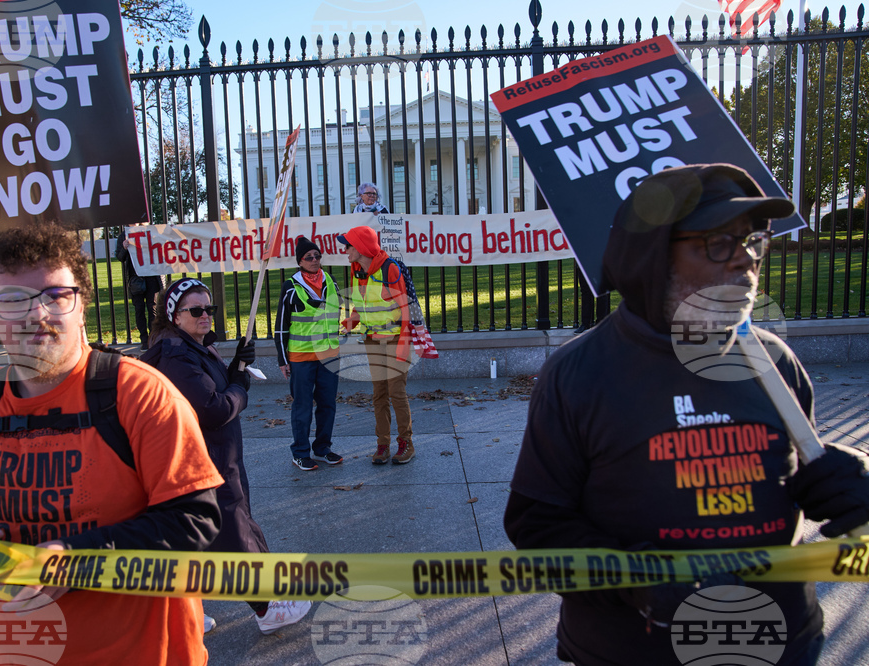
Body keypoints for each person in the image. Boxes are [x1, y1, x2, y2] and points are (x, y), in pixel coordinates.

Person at [503, 164, 869, 665]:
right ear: (653, 257)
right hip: (632, 652)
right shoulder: (578, 375)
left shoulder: (775, 360)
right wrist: (633, 578)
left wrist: (852, 474)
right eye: (718, 242)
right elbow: (537, 525)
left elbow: (800, 467)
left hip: (781, 642)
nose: (745, 259)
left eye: (752, 241)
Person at [0, 223, 224, 665]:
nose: (37, 314)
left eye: (55, 296)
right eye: (12, 300)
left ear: (82, 306)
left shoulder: (140, 394)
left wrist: (78, 560)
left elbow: (193, 521)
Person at [141, 278, 312, 634]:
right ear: (175, 315)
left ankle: (182, 613)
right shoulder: (177, 355)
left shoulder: (193, 346)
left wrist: (235, 367)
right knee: (233, 527)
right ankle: (267, 608)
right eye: (196, 310)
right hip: (205, 460)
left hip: (215, 454)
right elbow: (213, 408)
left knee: (197, 534)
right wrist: (239, 387)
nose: (205, 315)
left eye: (210, 308)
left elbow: (214, 387)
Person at [337, 225, 414, 464]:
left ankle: (406, 443)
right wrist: (351, 322)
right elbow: (362, 305)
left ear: (361, 247)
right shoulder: (357, 270)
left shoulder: (390, 269)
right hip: (372, 339)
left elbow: (405, 308)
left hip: (394, 338)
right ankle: (383, 444)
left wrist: (403, 342)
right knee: (379, 394)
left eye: (348, 246)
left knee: (396, 392)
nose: (345, 250)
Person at [274, 236, 343, 471]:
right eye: (309, 257)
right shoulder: (290, 286)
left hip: (329, 355)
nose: (314, 260)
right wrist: (283, 359)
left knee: (327, 405)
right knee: (302, 407)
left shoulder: (331, 281)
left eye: (317, 256)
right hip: (301, 357)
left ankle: (322, 449)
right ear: (300, 261)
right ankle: (300, 453)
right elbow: (281, 325)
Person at [116, 224, 163, 349]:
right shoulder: (124, 235)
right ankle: (144, 339)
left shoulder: (151, 231)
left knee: (153, 308)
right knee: (139, 309)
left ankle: (153, 338)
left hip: (151, 277)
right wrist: (124, 248)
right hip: (135, 278)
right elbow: (120, 257)